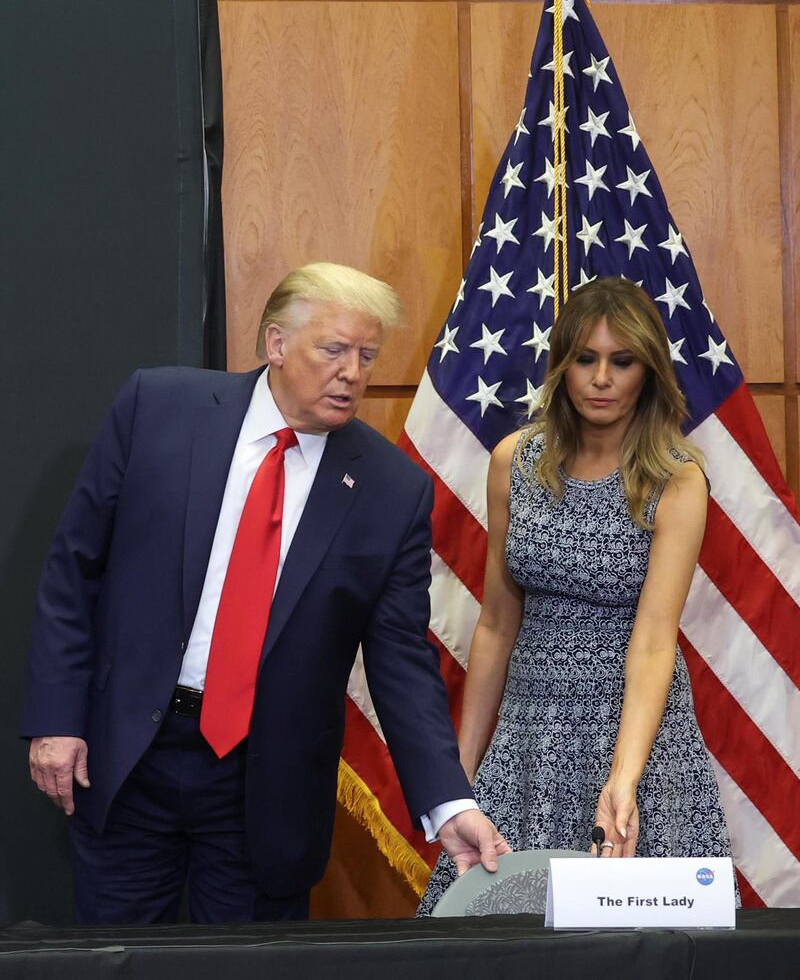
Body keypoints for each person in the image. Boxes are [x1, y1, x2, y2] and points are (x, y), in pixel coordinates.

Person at [23, 262, 509, 924]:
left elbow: (401, 659)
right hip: (131, 753)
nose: (353, 373)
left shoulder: (391, 490)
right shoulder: (158, 409)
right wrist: (57, 719)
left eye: (367, 355)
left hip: (265, 782)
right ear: (276, 344)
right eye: (333, 349)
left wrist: (450, 801)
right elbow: (73, 570)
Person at [419, 275, 735, 914]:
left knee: (632, 944)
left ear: (648, 370)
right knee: (491, 935)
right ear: (561, 365)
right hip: (529, 733)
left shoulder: (676, 478)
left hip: (636, 735)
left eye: (622, 361)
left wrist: (623, 778)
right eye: (585, 359)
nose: (601, 378)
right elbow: (496, 625)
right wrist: (460, 773)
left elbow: (653, 641)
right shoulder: (516, 459)